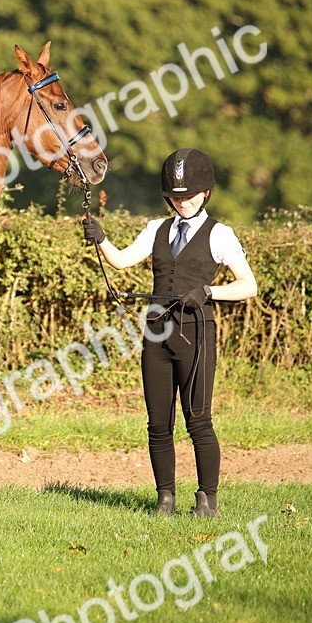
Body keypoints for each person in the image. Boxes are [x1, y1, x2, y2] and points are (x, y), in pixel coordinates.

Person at [82, 148, 257, 517]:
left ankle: (207, 501)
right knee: (158, 423)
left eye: (190, 196)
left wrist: (208, 292)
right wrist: (101, 239)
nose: (183, 202)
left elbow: (248, 286)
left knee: (198, 421)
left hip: (196, 335)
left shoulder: (220, 234)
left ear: (206, 193)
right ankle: (165, 500)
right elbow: (122, 260)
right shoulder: (156, 229)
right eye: (176, 197)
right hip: (156, 335)